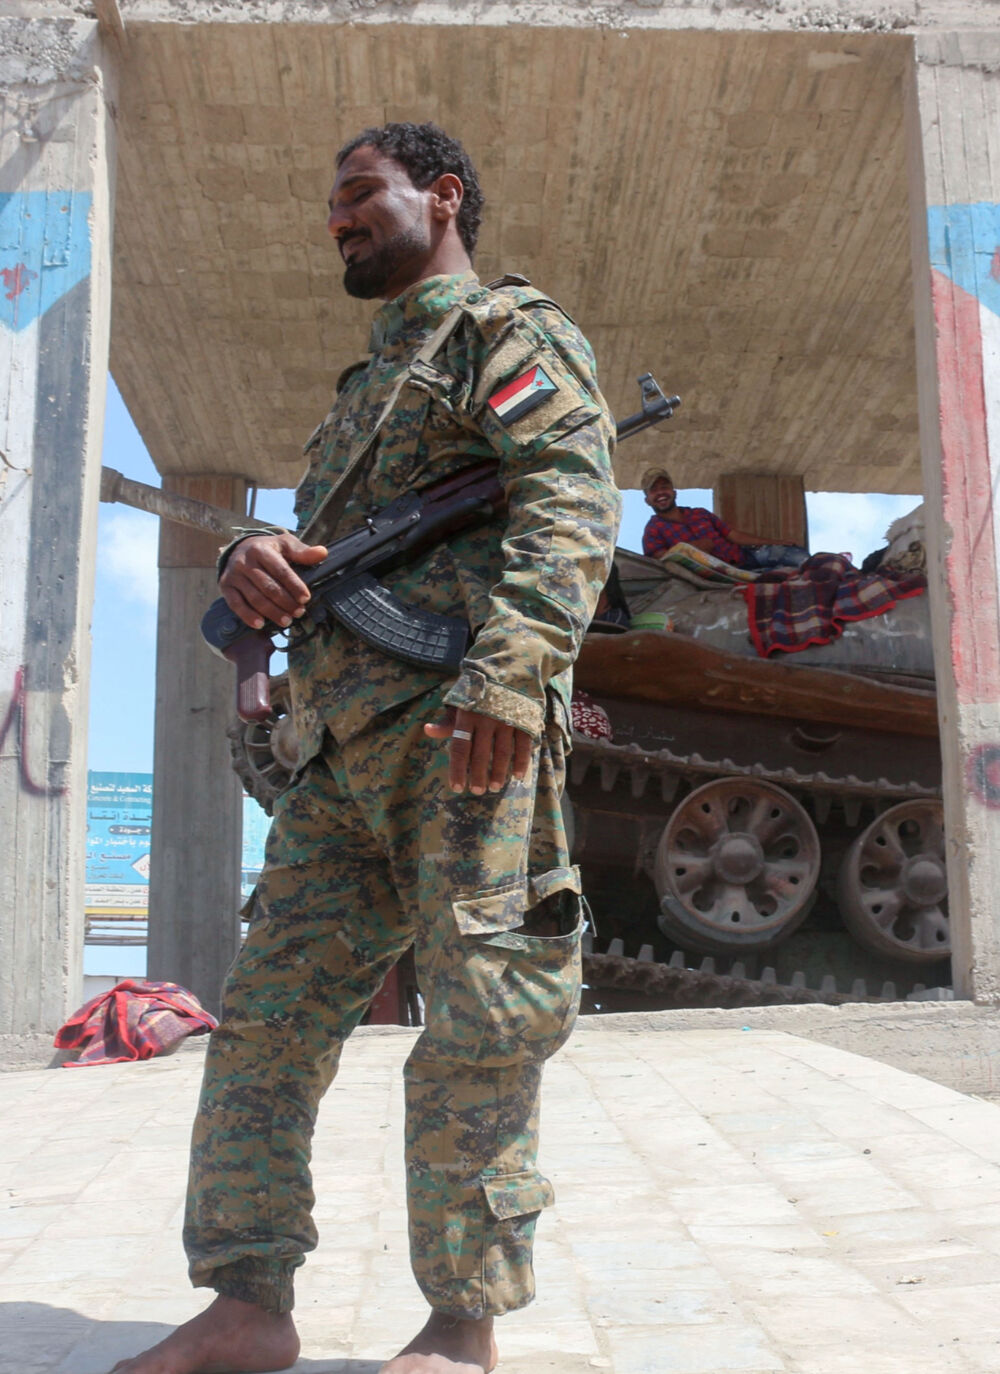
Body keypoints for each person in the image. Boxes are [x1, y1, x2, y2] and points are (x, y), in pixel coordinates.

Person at [113, 122, 620, 1374]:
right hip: (336, 759)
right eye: (330, 203)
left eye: (358, 193)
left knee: (480, 1021)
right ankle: (247, 1303)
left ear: (441, 197)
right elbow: (320, 564)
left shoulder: (504, 334)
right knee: (265, 1030)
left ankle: (460, 1326)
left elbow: (567, 493)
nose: (336, 218)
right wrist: (253, 560)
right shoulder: (362, 393)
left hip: (463, 738)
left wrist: (510, 674)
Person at [639, 466, 807, 571]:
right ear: (647, 500)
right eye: (654, 490)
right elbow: (662, 562)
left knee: (800, 558)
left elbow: (733, 535)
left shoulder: (699, 513)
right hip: (723, 576)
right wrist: (693, 549)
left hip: (746, 557)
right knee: (784, 576)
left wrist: (775, 542)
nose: (661, 493)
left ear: (674, 492)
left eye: (664, 487)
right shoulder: (652, 530)